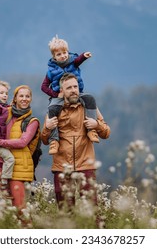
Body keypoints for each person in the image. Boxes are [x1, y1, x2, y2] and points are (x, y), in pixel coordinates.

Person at [41, 73, 111, 212]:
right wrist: (47, 128)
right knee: (66, 212)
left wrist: (96, 124)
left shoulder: (89, 107)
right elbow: (44, 140)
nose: (73, 90)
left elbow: (106, 133)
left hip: (86, 165)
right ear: (62, 91)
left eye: (75, 86)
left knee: (91, 210)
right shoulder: (54, 109)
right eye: (69, 88)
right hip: (61, 166)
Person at [0, 85, 40, 218]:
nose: (24, 99)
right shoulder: (2, 111)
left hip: (16, 169)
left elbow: (23, 142)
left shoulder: (32, 122)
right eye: (21, 96)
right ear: (15, 98)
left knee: (20, 210)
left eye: (27, 96)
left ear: (31, 99)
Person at [41, 35, 99, 155]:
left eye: (64, 52)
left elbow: (78, 60)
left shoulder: (73, 62)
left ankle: (91, 130)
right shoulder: (51, 71)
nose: (63, 56)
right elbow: (44, 87)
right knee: (52, 109)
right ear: (54, 57)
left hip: (77, 94)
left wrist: (84, 56)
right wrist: (56, 94)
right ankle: (54, 140)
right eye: (59, 54)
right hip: (60, 97)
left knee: (90, 99)